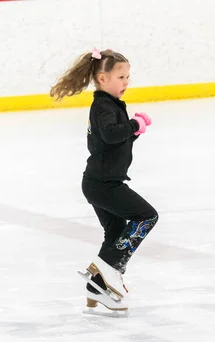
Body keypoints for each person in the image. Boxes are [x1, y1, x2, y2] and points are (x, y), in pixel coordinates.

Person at [50, 47, 158, 312]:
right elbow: (110, 134)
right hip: (104, 184)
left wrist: (134, 132)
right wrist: (133, 125)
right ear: (103, 78)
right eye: (121, 77)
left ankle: (97, 288)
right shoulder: (102, 106)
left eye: (128, 77)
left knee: (116, 230)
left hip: (99, 182)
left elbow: (111, 141)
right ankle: (108, 267)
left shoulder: (109, 105)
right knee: (146, 216)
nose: (126, 82)